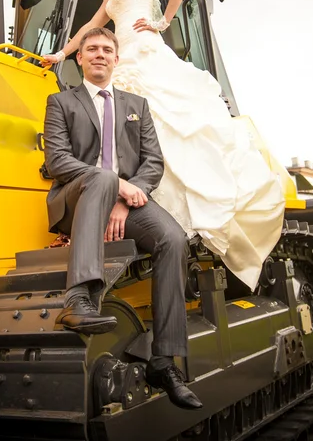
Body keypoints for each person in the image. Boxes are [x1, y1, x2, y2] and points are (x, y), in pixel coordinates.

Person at [42, 0, 285, 291]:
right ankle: (121, 201)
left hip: (143, 50)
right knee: (120, 132)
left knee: (163, 124)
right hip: (122, 57)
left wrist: (162, 21)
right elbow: (91, 25)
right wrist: (60, 54)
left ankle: (154, 206)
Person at [44, 27, 202, 410]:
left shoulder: (137, 105)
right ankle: (78, 299)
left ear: (116, 59)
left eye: (107, 50)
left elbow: (153, 162)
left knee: (174, 240)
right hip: (75, 201)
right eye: (92, 49)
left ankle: (164, 362)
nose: (100, 54)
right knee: (99, 176)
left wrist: (125, 199)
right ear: (79, 59)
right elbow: (58, 161)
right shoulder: (60, 102)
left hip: (128, 202)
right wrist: (115, 185)